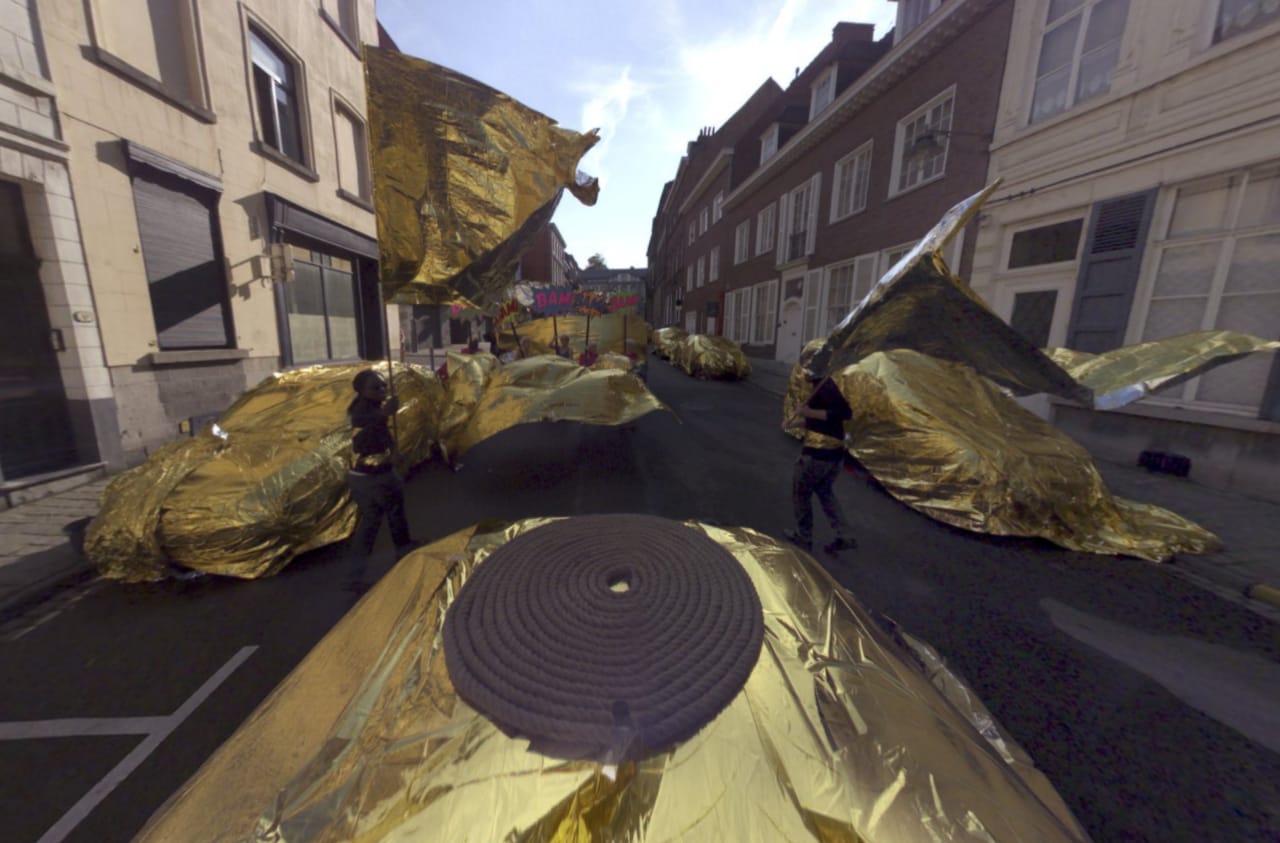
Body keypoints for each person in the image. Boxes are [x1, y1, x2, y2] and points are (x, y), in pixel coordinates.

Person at [345, 369, 420, 593]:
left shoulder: (373, 407)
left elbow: (384, 433)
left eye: (384, 385)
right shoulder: (360, 412)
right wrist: (384, 413)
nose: (382, 390)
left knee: (373, 521)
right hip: (371, 476)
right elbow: (365, 431)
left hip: (370, 474)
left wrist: (394, 450)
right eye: (375, 387)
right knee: (391, 512)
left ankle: (355, 575)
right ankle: (402, 550)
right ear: (361, 390)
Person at [782, 368, 857, 555]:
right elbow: (823, 422)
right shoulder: (821, 386)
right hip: (833, 455)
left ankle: (804, 536)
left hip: (818, 455)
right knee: (824, 491)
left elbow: (843, 413)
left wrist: (808, 412)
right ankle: (844, 534)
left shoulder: (825, 386)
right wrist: (795, 423)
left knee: (801, 492)